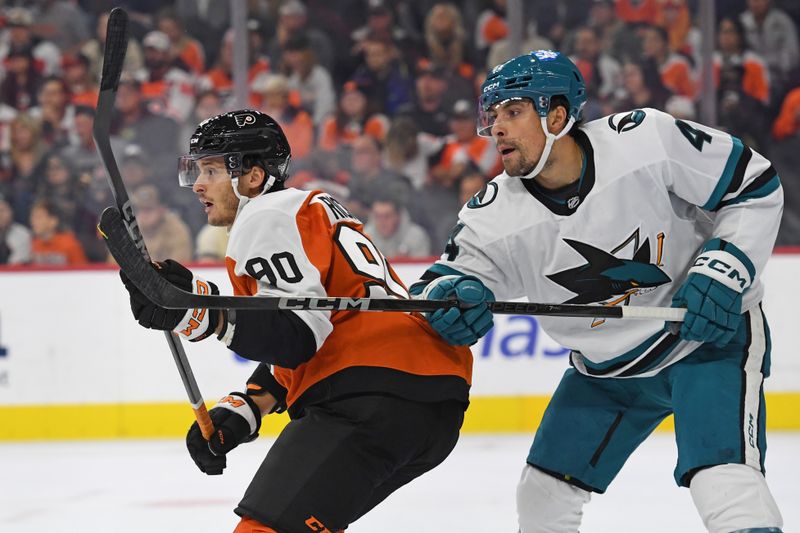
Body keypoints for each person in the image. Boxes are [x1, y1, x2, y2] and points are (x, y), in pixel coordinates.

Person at [412, 50, 785, 532]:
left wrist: (723, 269)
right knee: (543, 495)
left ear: (559, 116)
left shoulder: (645, 139)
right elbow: (440, 285)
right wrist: (450, 300)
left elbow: (753, 185)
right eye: (494, 115)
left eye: (513, 111)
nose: (497, 128)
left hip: (706, 341)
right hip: (606, 372)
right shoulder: (493, 215)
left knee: (722, 480)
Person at [117, 110, 472, 533]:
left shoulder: (266, 213)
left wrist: (200, 310)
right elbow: (317, 329)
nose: (197, 183)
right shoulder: (306, 211)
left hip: (367, 395)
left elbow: (297, 336)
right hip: (428, 403)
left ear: (252, 176)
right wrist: (248, 407)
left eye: (210, 169)